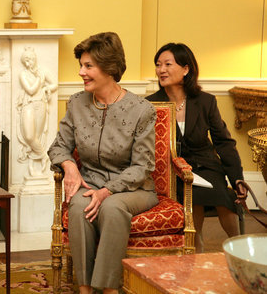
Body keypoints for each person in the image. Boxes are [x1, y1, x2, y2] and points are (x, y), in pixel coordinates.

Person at [48, 32, 158, 294]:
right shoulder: (76, 103)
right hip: (91, 183)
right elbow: (58, 146)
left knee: (112, 207)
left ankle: (109, 289)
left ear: (109, 68)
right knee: (78, 207)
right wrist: (70, 166)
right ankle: (85, 288)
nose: (80, 72)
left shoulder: (142, 110)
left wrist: (107, 191)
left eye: (88, 66)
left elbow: (142, 167)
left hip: (135, 189)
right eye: (81, 65)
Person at [146, 43, 248, 253]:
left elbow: (223, 142)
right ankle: (196, 254)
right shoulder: (151, 104)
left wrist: (236, 177)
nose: (161, 70)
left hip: (206, 165)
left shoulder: (205, 101)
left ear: (186, 69)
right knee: (194, 203)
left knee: (223, 196)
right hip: (173, 169)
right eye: (158, 65)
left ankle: (241, 249)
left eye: (167, 64)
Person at [17, 47, 57, 177]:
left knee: (38, 136)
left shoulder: (42, 71)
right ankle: (44, 156)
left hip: (41, 105)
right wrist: (40, 80)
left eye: (31, 59)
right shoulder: (23, 74)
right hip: (29, 105)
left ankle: (35, 160)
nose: (30, 62)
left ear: (35, 59)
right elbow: (30, 90)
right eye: (27, 60)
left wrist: (47, 88)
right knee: (29, 136)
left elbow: (54, 84)